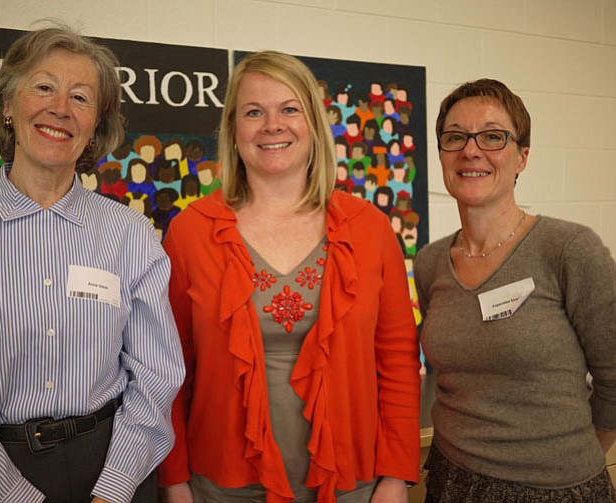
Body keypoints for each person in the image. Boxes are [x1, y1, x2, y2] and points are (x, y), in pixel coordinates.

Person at [158, 50, 421, 503]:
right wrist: (174, 482)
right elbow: (168, 372)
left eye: (289, 109)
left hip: (350, 485)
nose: (271, 125)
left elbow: (397, 362)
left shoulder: (371, 228)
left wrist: (396, 478)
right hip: (223, 488)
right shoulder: (189, 232)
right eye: (254, 111)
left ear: (314, 126)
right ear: (233, 130)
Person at [0, 24, 185, 503]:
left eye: (80, 97)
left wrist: (113, 489)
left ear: (96, 124)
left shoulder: (129, 234)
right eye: (43, 87)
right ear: (8, 105)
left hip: (115, 463)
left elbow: (156, 375)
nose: (59, 108)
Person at [413, 78, 616, 502]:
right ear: (441, 154)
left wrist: (570, 462)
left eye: (492, 136)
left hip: (554, 489)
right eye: (455, 138)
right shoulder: (431, 262)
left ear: (522, 157)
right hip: (452, 481)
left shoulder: (569, 250)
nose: (471, 151)